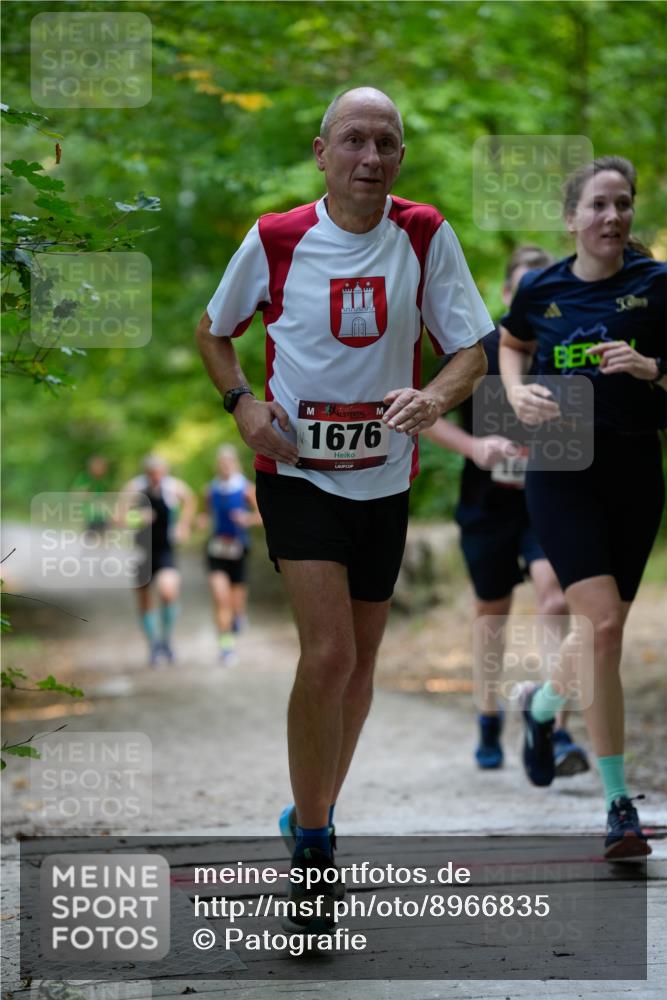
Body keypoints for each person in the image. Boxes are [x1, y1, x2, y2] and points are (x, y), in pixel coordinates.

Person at [197, 87, 492, 923]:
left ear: (400, 155)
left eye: (386, 143)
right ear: (321, 151)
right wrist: (244, 407)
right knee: (326, 657)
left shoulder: (425, 234)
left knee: (360, 669)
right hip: (295, 474)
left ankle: (307, 811)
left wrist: (434, 398)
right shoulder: (277, 237)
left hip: (384, 478)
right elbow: (214, 332)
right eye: (354, 141)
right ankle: (318, 845)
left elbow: (469, 348)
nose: (370, 158)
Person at [499, 156, 666, 859]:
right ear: (571, 219)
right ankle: (617, 806)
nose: (611, 217)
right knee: (599, 625)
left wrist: (651, 368)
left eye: (622, 204)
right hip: (560, 464)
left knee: (607, 625)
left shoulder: (658, 284)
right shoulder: (541, 288)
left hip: (632, 466)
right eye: (597, 205)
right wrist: (512, 393)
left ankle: (540, 709)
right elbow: (509, 344)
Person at [423, 246, 589, 775]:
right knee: (491, 616)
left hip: (550, 503)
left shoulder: (566, 344)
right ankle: (489, 716)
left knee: (556, 597)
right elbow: (425, 414)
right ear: (505, 295)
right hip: (487, 506)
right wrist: (475, 447)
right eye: (523, 289)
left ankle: (553, 731)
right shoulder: (483, 349)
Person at [124, 455, 196, 666]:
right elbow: (119, 516)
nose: (156, 477)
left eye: (159, 473)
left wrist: (183, 525)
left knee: (168, 592)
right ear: (146, 473)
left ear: (165, 472)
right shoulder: (134, 488)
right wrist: (138, 517)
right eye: (152, 474)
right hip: (142, 550)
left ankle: (166, 639)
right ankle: (153, 644)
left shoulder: (174, 487)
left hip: (165, 549)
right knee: (145, 598)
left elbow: (190, 501)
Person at [204, 444, 262, 663]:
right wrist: (202, 521)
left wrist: (247, 519)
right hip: (216, 549)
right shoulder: (211, 490)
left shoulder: (246, 488)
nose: (225, 466)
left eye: (229, 462)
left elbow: (262, 516)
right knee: (221, 598)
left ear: (235, 463)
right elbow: (207, 515)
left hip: (238, 549)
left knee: (236, 602)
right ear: (218, 465)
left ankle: (238, 617)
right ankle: (226, 648)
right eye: (222, 463)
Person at [71, 455, 113, 536]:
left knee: (105, 535)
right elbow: (75, 494)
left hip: (102, 513)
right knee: (91, 538)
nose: (103, 469)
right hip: (89, 514)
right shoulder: (84, 478)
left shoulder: (104, 480)